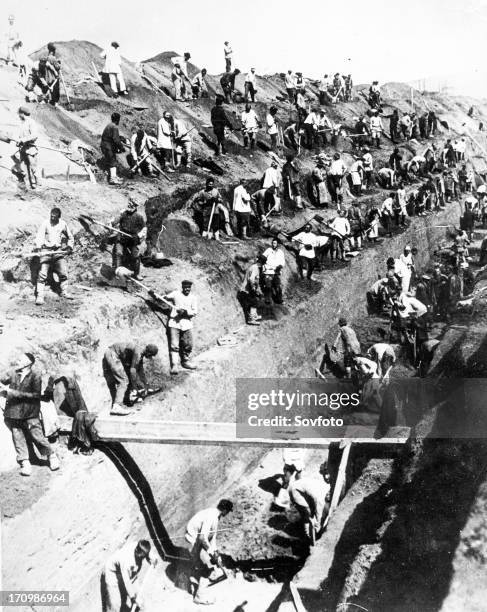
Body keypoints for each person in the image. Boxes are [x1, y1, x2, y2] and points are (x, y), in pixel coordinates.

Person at [1, 353, 60, 476]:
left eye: (20, 359)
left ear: (28, 363)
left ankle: (51, 456)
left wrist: (12, 393)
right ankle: (25, 462)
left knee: (37, 436)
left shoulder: (35, 375)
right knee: (18, 437)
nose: (18, 360)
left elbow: (35, 395)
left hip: (30, 411)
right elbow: (3, 379)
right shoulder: (13, 373)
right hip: (14, 412)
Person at [185, 499, 234, 605]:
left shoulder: (215, 515)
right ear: (225, 510)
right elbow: (203, 538)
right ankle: (199, 597)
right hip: (193, 541)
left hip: (197, 540)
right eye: (228, 511)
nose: (228, 513)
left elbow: (212, 539)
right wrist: (211, 553)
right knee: (207, 570)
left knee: (204, 565)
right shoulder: (212, 516)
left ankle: (194, 586)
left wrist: (216, 554)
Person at [102, 342, 158, 415]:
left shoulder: (140, 352)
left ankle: (126, 400)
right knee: (123, 380)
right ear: (148, 353)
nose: (150, 358)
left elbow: (140, 371)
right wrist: (136, 387)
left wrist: (146, 384)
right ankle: (116, 406)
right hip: (112, 354)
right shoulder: (138, 353)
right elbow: (133, 371)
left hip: (114, 354)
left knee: (128, 376)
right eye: (150, 356)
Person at [34, 207, 74, 305]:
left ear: (58, 217)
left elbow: (70, 237)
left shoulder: (63, 224)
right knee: (42, 274)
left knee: (63, 272)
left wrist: (69, 247)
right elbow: (39, 236)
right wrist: (39, 248)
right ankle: (40, 296)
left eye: (54, 217)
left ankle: (64, 291)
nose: (52, 218)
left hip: (57, 251)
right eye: (51, 216)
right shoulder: (45, 223)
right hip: (46, 251)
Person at [102, 539, 153, 612]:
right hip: (112, 573)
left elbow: (147, 550)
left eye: (144, 556)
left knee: (139, 600)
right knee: (115, 603)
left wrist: (152, 557)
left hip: (128, 572)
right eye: (141, 557)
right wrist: (133, 598)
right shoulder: (126, 560)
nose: (143, 559)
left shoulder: (139, 544)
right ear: (136, 551)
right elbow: (127, 582)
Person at [284, 464, 330, 544]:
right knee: (307, 512)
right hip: (296, 490)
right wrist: (317, 525)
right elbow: (318, 512)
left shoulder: (325, 493)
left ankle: (312, 533)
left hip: (303, 488)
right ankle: (308, 535)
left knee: (313, 513)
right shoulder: (320, 499)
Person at [111, 197, 146, 280]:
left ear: (135, 207)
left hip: (132, 239)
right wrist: (113, 220)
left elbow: (144, 229)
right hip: (122, 238)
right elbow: (114, 222)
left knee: (135, 256)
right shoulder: (123, 214)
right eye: (130, 204)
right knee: (119, 253)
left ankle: (136, 274)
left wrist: (138, 236)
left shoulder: (139, 217)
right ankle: (118, 272)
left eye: (133, 205)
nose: (130, 206)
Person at [11, 106, 38, 189]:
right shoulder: (22, 123)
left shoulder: (31, 122)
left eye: (19, 114)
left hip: (30, 148)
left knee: (33, 168)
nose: (18, 116)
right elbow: (21, 137)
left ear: (22, 113)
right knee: (22, 167)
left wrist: (24, 139)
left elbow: (34, 135)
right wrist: (19, 141)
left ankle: (36, 184)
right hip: (23, 149)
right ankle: (25, 185)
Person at [101, 112, 125, 185]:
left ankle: (114, 176)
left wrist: (120, 137)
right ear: (118, 120)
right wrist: (121, 147)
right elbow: (116, 140)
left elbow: (110, 136)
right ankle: (112, 179)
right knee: (113, 162)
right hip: (108, 146)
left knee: (112, 159)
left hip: (105, 145)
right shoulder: (114, 127)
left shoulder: (109, 125)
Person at [240, 256, 263, 325]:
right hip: (247, 289)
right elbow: (251, 279)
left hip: (247, 288)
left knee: (254, 301)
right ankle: (251, 319)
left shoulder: (254, 266)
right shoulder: (255, 268)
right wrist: (253, 288)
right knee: (254, 303)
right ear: (261, 262)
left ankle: (254, 315)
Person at [262, 238, 285, 303]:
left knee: (277, 286)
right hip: (268, 271)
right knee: (268, 286)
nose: (273, 245)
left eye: (275, 243)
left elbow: (282, 261)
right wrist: (262, 258)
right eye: (272, 243)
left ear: (278, 244)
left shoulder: (280, 252)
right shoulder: (269, 250)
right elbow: (263, 256)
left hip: (276, 272)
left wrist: (280, 266)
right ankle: (267, 300)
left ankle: (279, 300)